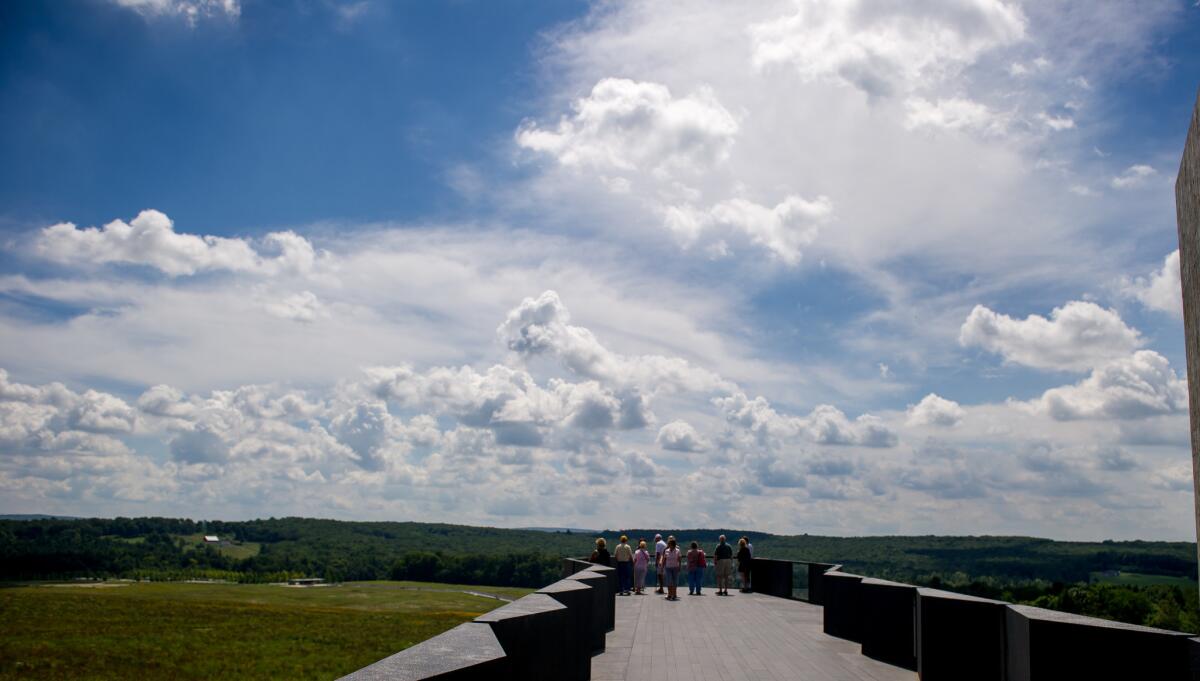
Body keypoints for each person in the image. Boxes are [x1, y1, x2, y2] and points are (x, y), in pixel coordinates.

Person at [661, 536, 683, 601]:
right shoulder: (666, 550)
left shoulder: (677, 550)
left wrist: (679, 566)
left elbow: (679, 559)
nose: (669, 545)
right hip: (668, 567)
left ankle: (674, 594)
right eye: (669, 544)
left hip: (675, 567)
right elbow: (664, 559)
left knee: (675, 581)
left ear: (673, 545)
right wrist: (662, 566)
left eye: (670, 544)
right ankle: (670, 594)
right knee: (669, 581)